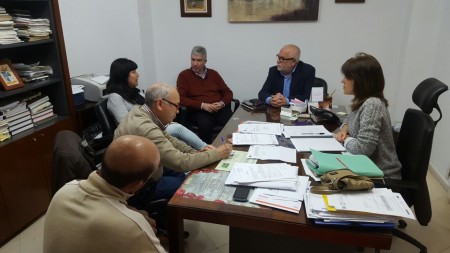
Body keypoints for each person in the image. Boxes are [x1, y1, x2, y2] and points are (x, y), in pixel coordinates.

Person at [44, 135, 166, 253]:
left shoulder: (65, 190)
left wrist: (132, 214)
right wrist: (140, 226)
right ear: (137, 184)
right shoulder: (132, 227)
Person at [114, 82, 233, 201]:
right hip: (136, 187)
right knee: (189, 184)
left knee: (187, 174)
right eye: (176, 106)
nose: (177, 111)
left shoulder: (142, 112)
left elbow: (170, 140)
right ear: (160, 103)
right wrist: (217, 154)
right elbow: (181, 163)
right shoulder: (145, 128)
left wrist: (198, 151)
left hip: (148, 170)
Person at [106, 58, 207, 150]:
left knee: (179, 140)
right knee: (177, 129)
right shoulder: (115, 97)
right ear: (122, 75)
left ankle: (200, 155)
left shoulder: (135, 92)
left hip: (152, 127)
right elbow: (126, 124)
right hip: (139, 135)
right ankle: (205, 149)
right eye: (133, 72)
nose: (137, 74)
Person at [334, 52, 401, 179]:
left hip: (381, 176)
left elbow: (362, 149)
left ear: (360, 80)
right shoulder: (363, 101)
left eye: (347, 77)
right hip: (364, 167)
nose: (342, 81)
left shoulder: (372, 104)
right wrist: (344, 129)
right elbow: (350, 118)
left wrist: (345, 139)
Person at [177, 46, 234, 143]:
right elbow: (181, 98)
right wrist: (202, 106)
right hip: (198, 110)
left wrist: (222, 103)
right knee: (205, 124)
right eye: (193, 60)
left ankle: (229, 147)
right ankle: (207, 151)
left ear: (205, 61)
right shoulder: (184, 76)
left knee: (232, 121)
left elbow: (228, 92)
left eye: (199, 60)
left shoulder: (214, 74)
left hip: (217, 108)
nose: (195, 63)